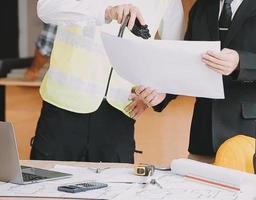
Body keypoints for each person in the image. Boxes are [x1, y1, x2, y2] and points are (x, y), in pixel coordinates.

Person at [135, 0, 256, 163]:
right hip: (206, 138)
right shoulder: (201, 6)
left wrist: (240, 62)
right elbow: (187, 64)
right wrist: (163, 94)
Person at [30, 0, 183, 163]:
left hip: (120, 114)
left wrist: (153, 93)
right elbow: (45, 8)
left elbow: (175, 54)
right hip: (63, 110)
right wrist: (107, 12)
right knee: (46, 186)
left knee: (117, 188)